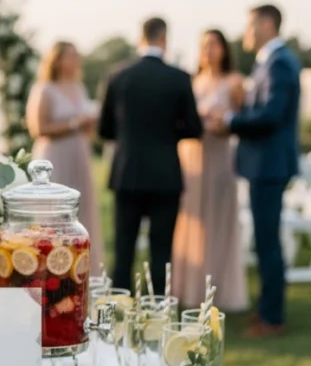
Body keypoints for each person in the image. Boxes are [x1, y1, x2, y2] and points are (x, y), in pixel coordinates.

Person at [207, 4, 301, 337]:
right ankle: (266, 308)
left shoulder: (279, 63)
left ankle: (272, 318)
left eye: (249, 25)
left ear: (266, 24)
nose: (245, 33)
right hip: (264, 165)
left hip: (270, 166)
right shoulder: (270, 62)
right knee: (264, 241)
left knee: (267, 242)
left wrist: (231, 120)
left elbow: (271, 115)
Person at [98, 17, 203, 293]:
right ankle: (158, 308)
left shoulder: (118, 76)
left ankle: (118, 307)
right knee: (161, 251)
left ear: (140, 38)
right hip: (165, 175)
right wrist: (169, 132)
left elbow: (104, 129)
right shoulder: (179, 78)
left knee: (124, 250)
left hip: (127, 173)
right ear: (164, 38)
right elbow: (194, 128)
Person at [172, 30, 248, 310]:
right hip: (190, 156)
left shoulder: (235, 82)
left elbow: (243, 120)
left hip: (219, 156)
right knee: (190, 219)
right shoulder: (193, 81)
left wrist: (222, 122)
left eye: (214, 45)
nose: (208, 50)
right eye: (204, 45)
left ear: (224, 49)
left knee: (217, 218)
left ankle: (219, 288)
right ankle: (188, 287)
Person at [26, 41, 104, 257]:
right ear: (57, 60)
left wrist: (89, 124)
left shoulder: (79, 88)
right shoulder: (44, 89)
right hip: (55, 156)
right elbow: (38, 128)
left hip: (78, 153)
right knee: (53, 212)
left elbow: (84, 126)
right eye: (70, 56)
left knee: (81, 210)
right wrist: (74, 124)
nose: (75, 60)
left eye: (76, 56)